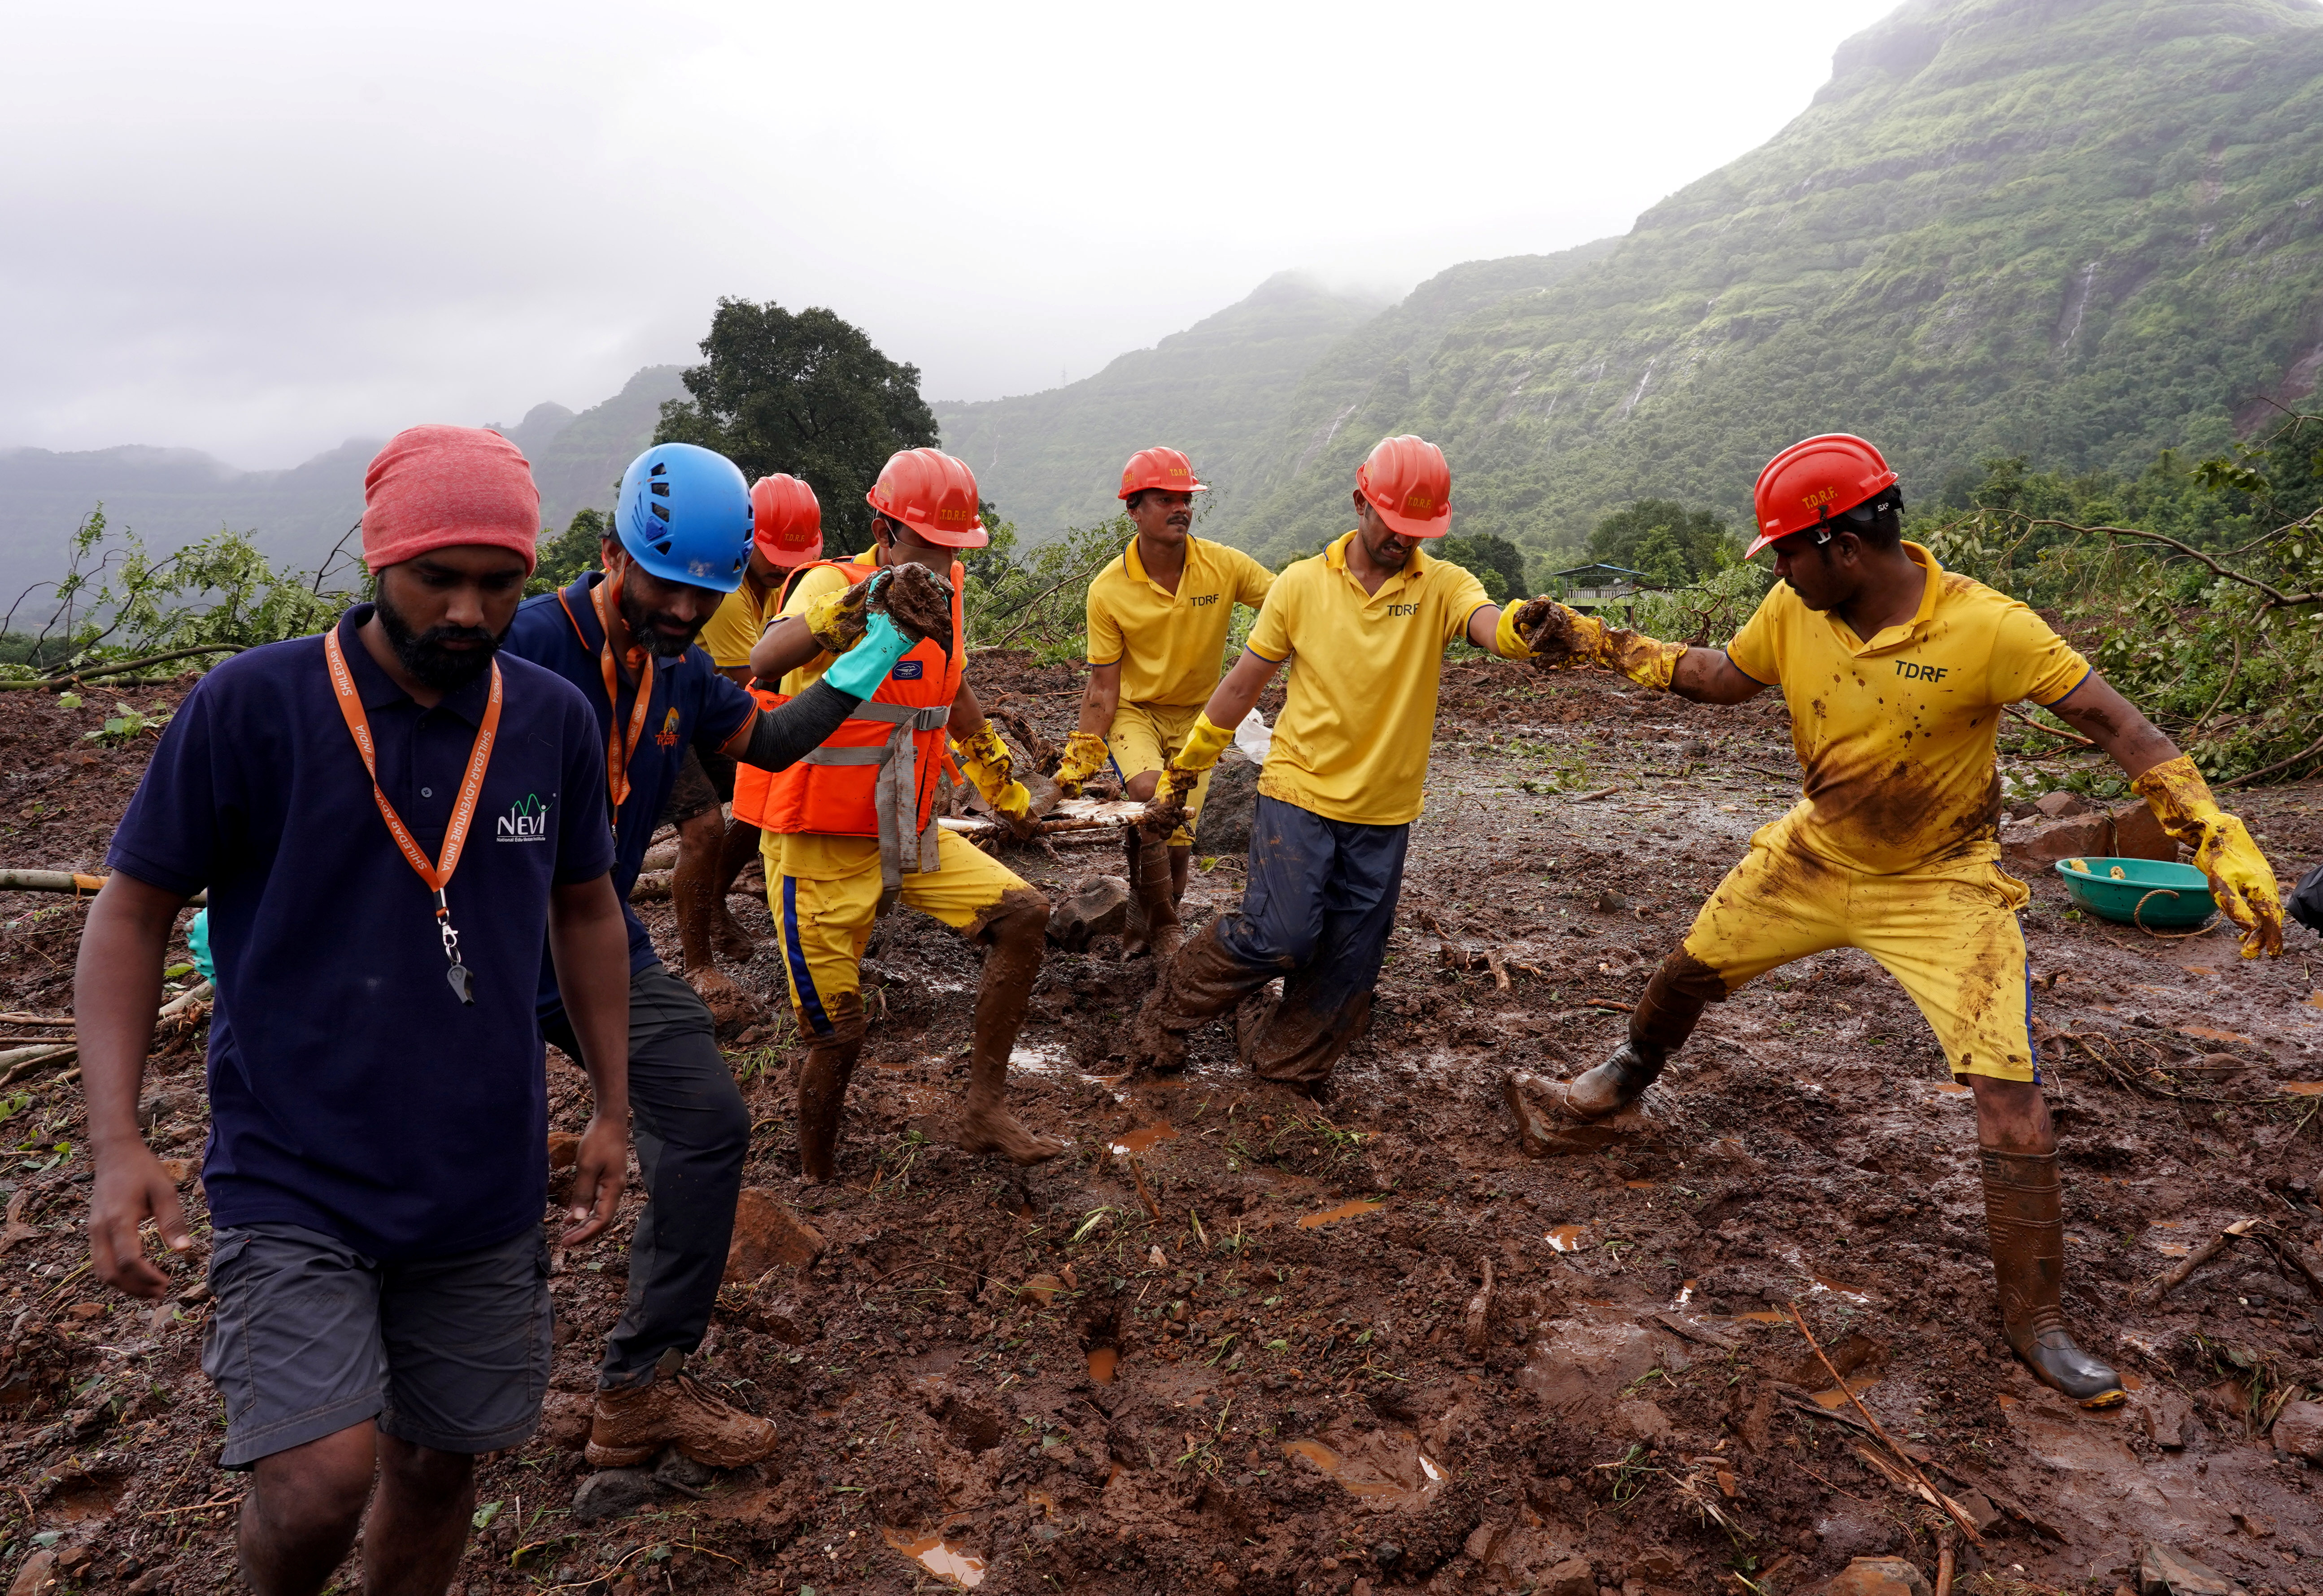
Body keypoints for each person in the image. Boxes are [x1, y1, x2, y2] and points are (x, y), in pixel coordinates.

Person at [1517, 432, 2287, 1409]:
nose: (1779, 571)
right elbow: (1720, 676)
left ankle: (2036, 1320)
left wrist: (2211, 826)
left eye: (1788, 552)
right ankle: (1625, 1080)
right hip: (1814, 857)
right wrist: (1601, 643)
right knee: (1687, 973)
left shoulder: (1990, 628)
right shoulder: (1794, 611)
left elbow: (2120, 727)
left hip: (1942, 884)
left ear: (1843, 546)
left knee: (2008, 1090)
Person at [78, 425, 632, 1596]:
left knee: (439, 1466)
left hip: (481, 1179)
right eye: (439, 577)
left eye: (500, 584)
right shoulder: (253, 706)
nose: (470, 614)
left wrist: (614, 1106)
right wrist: (118, 1141)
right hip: (296, 1165)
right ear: (379, 557)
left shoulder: (548, 722)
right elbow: (130, 913)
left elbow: (585, 911)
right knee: (319, 1481)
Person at [500, 440, 936, 1467]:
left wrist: (876, 644)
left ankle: (641, 1390)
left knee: (705, 1122)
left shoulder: (681, 670)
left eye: (703, 594)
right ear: (609, 552)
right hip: (466, 960)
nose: (684, 612)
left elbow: (776, 740)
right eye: (663, 587)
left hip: (597, 942)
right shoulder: (519, 647)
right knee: (469, 1176)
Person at [1124, 434, 1546, 1087]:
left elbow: (1487, 623)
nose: (1400, 541)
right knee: (1280, 934)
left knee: (1346, 968)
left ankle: (1281, 1070)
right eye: (1391, 523)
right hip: (1300, 791)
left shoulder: (1440, 585)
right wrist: (1185, 768)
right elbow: (1242, 684)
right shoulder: (1298, 585)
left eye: (1415, 530)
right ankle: (1171, 1008)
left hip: (1383, 810)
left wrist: (1529, 628)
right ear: (1360, 502)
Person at [746, 446, 1066, 1181]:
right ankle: (817, 1179)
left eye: (955, 548)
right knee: (838, 1035)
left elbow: (950, 693)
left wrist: (1002, 784)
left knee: (1023, 913)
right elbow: (766, 656)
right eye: (929, 544)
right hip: (817, 848)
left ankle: (983, 1110)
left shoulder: (942, 591)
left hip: (908, 833)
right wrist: (861, 609)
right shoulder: (831, 584)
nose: (944, 561)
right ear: (883, 529)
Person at [1050, 447, 1273, 953]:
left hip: (1203, 715)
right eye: (1164, 498)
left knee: (1175, 842)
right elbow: (1104, 688)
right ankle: (1166, 932)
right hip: (1137, 713)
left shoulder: (1224, 566)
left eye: (1185, 498)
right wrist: (1076, 766)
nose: (1180, 508)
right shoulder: (1108, 589)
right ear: (1133, 509)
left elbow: (1288, 604)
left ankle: (1144, 915)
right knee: (1153, 794)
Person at [667, 473, 829, 998]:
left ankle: (714, 901)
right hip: (674, 710)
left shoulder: (770, 586)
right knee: (705, 827)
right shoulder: (732, 592)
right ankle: (698, 960)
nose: (783, 565)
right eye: (773, 553)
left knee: (761, 800)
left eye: (792, 555)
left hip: (710, 708)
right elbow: (752, 682)